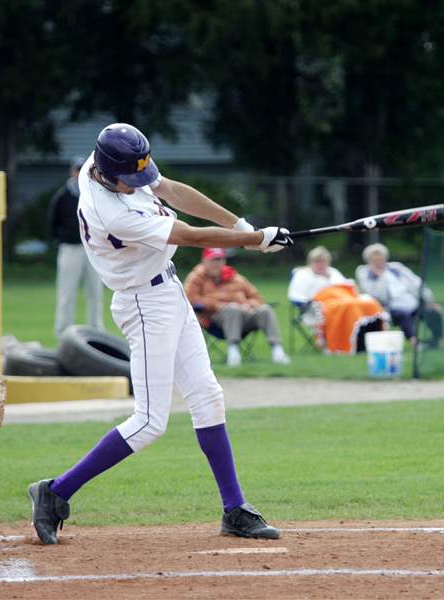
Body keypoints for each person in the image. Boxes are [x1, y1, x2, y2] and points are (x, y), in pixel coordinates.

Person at [27, 123, 293, 545]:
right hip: (142, 304)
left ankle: (234, 509)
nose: (141, 181)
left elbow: (173, 191)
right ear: (109, 174)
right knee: (150, 422)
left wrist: (242, 224)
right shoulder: (111, 211)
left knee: (208, 398)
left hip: (167, 291)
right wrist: (254, 239)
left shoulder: (109, 160)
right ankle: (54, 492)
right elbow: (186, 235)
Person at [184, 247, 291, 367]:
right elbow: (190, 300)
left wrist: (248, 305)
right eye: (213, 260)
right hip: (213, 320)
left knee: (265, 310)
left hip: (244, 316)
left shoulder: (235, 277)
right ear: (204, 261)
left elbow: (257, 298)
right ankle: (233, 352)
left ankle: (277, 350)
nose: (216, 263)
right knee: (232, 309)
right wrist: (218, 305)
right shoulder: (195, 278)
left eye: (219, 259)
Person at [288, 246, 387, 354]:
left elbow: (346, 287)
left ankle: (374, 341)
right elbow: (295, 295)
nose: (321, 264)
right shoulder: (302, 275)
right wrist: (313, 301)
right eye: (317, 261)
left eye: (323, 261)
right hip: (321, 305)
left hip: (344, 299)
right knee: (348, 306)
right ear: (310, 262)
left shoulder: (333, 272)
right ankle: (349, 344)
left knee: (369, 303)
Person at [48, 156, 106, 339]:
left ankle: (97, 331)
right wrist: (64, 237)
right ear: (72, 171)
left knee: (96, 292)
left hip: (94, 249)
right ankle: (63, 332)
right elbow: (52, 223)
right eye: (77, 169)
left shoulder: (96, 193)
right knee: (66, 293)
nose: (80, 172)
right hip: (70, 249)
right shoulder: (62, 196)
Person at [355, 243, 444, 348]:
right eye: (375, 260)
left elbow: (416, 283)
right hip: (389, 309)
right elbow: (379, 296)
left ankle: (437, 341)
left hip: (412, 303)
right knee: (403, 314)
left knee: (433, 311)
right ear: (369, 261)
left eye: (381, 259)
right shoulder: (364, 273)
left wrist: (429, 301)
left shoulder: (396, 267)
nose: (379, 262)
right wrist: (381, 277)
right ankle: (415, 343)